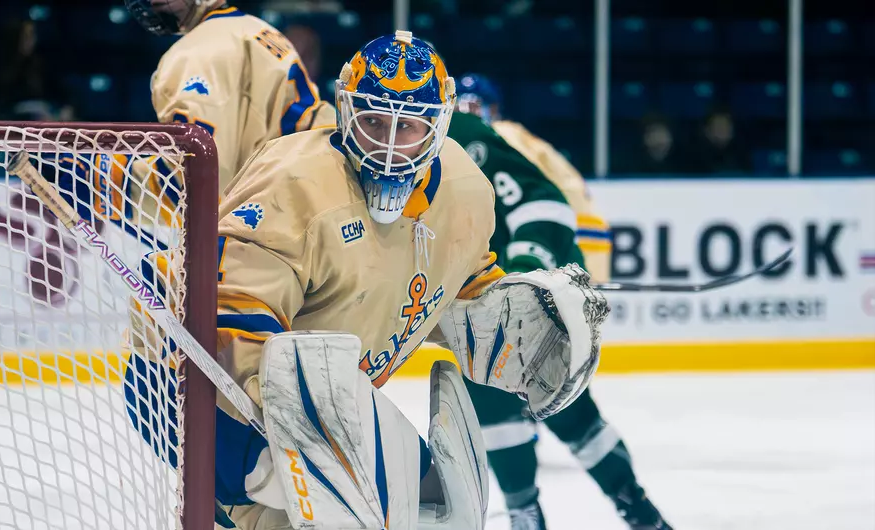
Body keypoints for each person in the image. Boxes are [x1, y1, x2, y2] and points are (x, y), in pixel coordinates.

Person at [125, 31, 610, 529]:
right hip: (187, 380)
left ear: (438, 128)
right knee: (341, 518)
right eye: (374, 121)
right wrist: (305, 445)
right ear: (346, 110)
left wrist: (501, 318)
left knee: (441, 512)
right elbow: (233, 318)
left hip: (322, 387)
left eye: (409, 128)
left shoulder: (466, 190)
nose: (389, 146)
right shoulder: (294, 181)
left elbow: (460, 283)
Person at [451, 73, 672, 530]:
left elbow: (555, 207)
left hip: (532, 291)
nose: (469, 115)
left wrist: (541, 274)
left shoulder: (496, 140)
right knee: (510, 411)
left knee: (561, 412)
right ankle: (623, 509)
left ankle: (611, 507)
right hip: (490, 300)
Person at [125, 0, 336, 193]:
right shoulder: (256, 27)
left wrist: (115, 183)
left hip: (297, 192)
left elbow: (202, 176)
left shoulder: (198, 51)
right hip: (322, 173)